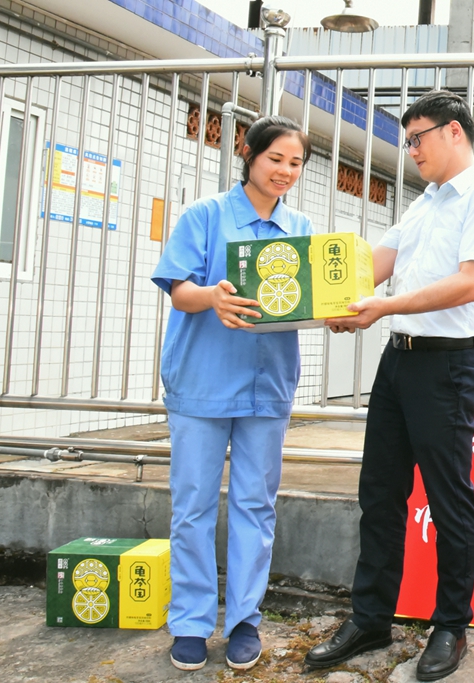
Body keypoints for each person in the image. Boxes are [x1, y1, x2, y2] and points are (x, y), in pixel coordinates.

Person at [304, 90, 474, 681]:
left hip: (447, 366)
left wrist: (383, 306)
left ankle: (450, 625)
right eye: (408, 142)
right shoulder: (424, 203)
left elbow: (471, 283)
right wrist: (332, 299)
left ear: (454, 131)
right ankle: (370, 617)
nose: (413, 151)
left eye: (417, 138)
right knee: (380, 492)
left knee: (448, 498)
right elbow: (376, 263)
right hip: (398, 361)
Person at [151, 116, 313, 672]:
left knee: (255, 504)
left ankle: (245, 619)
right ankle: (191, 622)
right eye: (275, 159)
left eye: (295, 163)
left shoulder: (300, 228)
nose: (285, 171)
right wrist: (212, 297)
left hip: (267, 385)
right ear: (249, 155)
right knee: (192, 505)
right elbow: (179, 291)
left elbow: (305, 300)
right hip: (203, 380)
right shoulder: (205, 216)